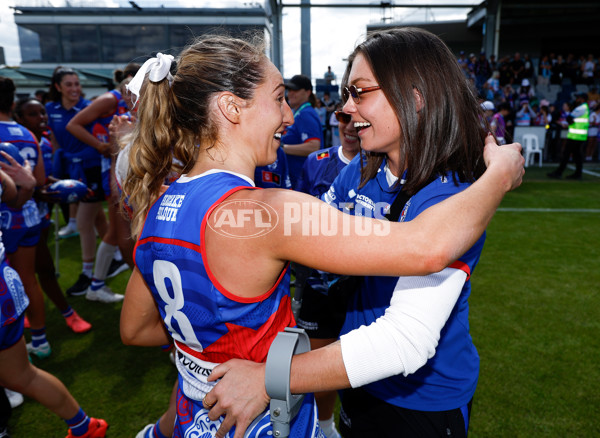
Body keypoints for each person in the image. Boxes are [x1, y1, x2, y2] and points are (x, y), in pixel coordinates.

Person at [118, 33, 523, 438]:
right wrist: (498, 176)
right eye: (278, 98)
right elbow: (427, 247)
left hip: (203, 412)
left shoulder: (163, 203)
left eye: (359, 92)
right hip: (264, 416)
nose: (290, 116)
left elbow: (136, 329)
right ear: (230, 107)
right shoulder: (271, 213)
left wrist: (207, 357)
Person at [0, 158, 108, 438]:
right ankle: (85, 427)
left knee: (20, 375)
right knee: (22, 375)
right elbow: (16, 194)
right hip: (3, 281)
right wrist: (26, 182)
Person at [294, 109, 360, 438]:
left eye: (354, 120)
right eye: (343, 119)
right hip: (319, 286)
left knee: (363, 361)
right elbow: (298, 221)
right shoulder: (316, 161)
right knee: (319, 362)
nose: (349, 127)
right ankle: (323, 424)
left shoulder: (383, 166)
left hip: (364, 288)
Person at [13, 97, 92, 334]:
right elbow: (15, 187)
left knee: (40, 269)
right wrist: (41, 194)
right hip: (17, 217)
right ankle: (66, 314)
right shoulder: (13, 143)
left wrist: (70, 187)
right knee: (39, 269)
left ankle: (33, 313)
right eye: (33, 114)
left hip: (40, 217)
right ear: (19, 118)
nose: (42, 118)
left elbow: (43, 181)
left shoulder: (45, 143)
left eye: (42, 113)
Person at [66, 65, 140, 303]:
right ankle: (137, 284)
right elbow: (73, 125)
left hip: (129, 177)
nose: (131, 94)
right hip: (119, 177)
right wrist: (104, 147)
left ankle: (96, 282)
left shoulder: (142, 111)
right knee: (122, 234)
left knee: (113, 233)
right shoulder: (114, 102)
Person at [0, 77, 54, 359]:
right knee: (28, 279)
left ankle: (12, 346)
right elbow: (41, 179)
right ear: (12, 103)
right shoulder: (26, 133)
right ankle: (41, 339)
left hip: (5, 216)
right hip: (30, 215)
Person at [45, 68, 109, 296]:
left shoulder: (88, 108)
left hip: (91, 168)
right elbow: (54, 137)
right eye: (69, 84)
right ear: (58, 87)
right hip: (70, 167)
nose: (74, 89)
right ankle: (115, 256)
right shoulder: (50, 109)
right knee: (97, 217)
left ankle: (89, 273)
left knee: (83, 222)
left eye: (77, 84)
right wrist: (57, 163)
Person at [280, 74, 324, 188]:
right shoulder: (299, 112)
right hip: (298, 178)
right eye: (289, 90)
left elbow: (313, 147)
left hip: (303, 181)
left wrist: (281, 148)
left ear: (308, 92)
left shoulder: (305, 114)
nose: (290, 93)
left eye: (295, 90)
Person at [548, 92, 590, 179]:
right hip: (579, 136)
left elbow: (569, 118)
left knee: (567, 154)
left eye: (578, 98)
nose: (576, 99)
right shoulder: (585, 108)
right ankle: (577, 174)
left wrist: (569, 123)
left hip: (575, 136)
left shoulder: (580, 108)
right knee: (576, 156)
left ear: (582, 99)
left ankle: (559, 173)